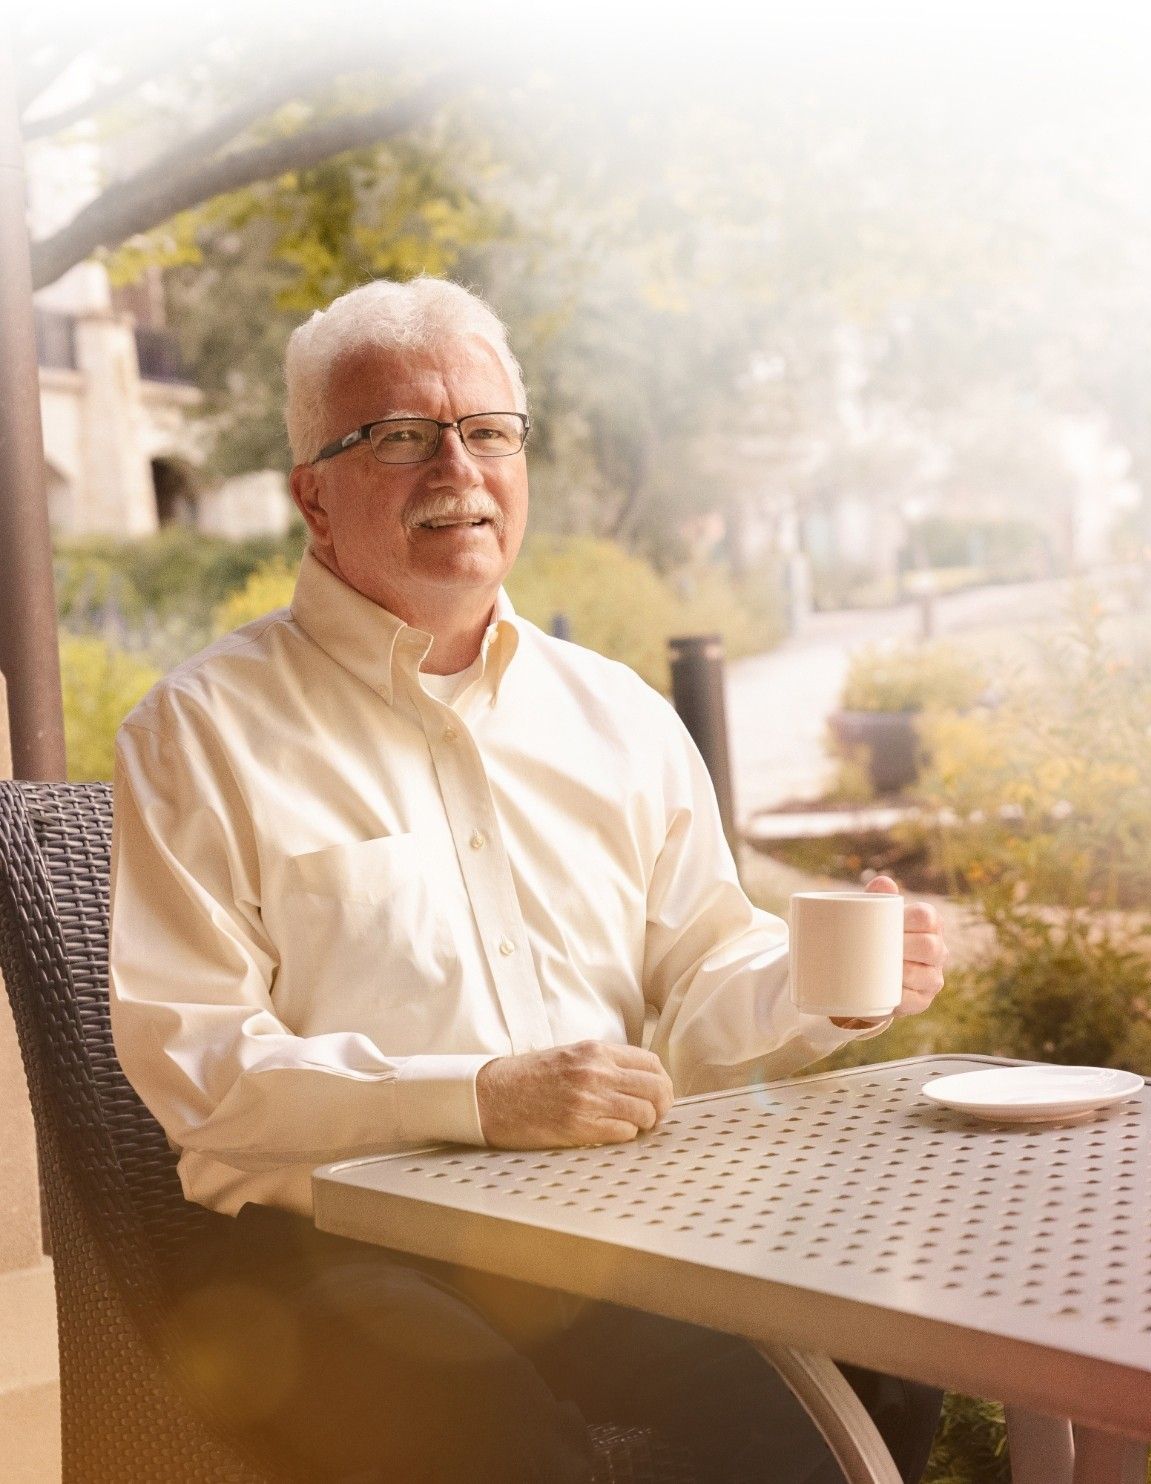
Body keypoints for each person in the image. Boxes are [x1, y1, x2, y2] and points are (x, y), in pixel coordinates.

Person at [109, 277, 946, 1483]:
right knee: (511, 1452)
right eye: (399, 436)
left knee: (871, 1348)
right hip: (329, 1239)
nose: (458, 464)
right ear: (313, 496)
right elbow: (205, 1072)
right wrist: (484, 1095)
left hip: (597, 1223)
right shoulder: (199, 730)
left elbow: (699, 980)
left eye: (488, 430)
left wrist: (823, 984)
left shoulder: (617, 713)